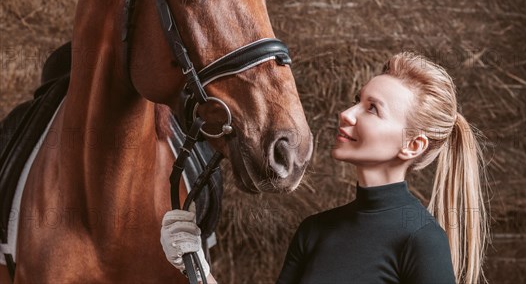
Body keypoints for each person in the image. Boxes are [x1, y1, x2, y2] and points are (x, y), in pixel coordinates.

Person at [161, 51, 488, 283]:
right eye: (357, 100)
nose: (348, 113)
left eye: (372, 109)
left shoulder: (421, 239)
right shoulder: (315, 231)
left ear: (412, 145)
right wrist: (198, 270)